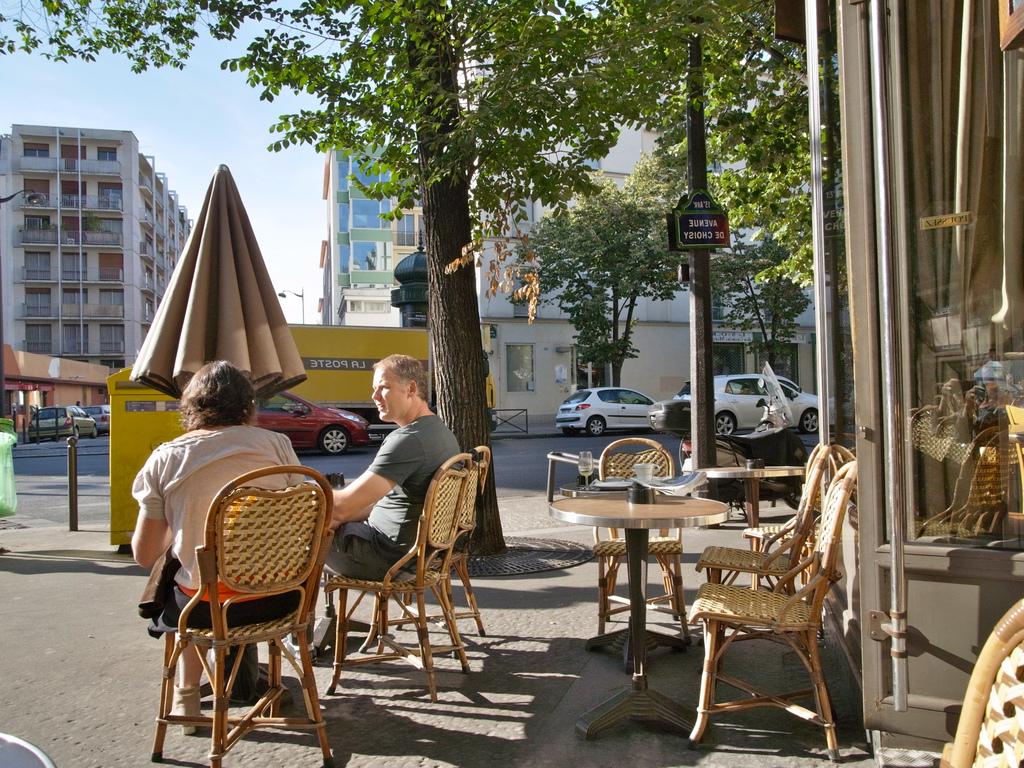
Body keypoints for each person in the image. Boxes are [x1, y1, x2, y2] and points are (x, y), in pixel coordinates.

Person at [131, 361, 302, 730]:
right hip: (282, 599)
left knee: (182, 573)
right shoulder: (278, 446)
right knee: (198, 575)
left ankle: (187, 696)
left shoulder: (166, 458)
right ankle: (270, 685)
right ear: (248, 405)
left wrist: (185, 526)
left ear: (191, 406)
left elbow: (144, 554)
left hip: (207, 611)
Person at [326, 354, 460, 580]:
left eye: (383, 387)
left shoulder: (409, 439)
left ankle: (287, 600)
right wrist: (343, 515)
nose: (374, 396)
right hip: (420, 554)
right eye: (374, 389)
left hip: (387, 558)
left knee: (303, 532)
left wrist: (308, 498)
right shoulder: (440, 432)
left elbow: (340, 506)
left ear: (411, 389)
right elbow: (394, 502)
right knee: (331, 519)